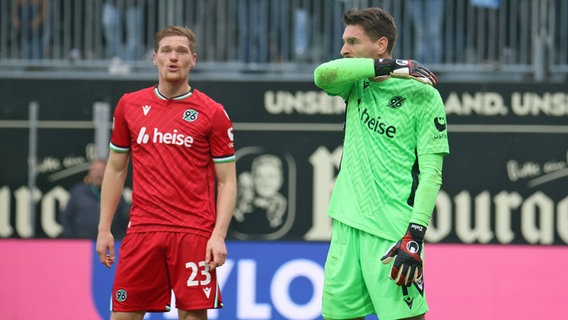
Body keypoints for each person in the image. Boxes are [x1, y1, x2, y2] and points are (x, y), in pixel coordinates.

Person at [313, 7, 449, 320]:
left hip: (392, 232)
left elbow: (431, 174)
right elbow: (322, 75)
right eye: (344, 41)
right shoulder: (356, 83)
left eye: (352, 42)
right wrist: (395, 66)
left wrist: (415, 235)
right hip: (346, 227)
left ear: (381, 43)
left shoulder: (423, 96)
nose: (343, 49)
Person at [96, 25, 237, 320]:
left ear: (193, 59)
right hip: (143, 229)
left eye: (181, 52)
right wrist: (104, 228)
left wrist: (218, 235)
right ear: (154, 58)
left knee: (192, 316)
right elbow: (116, 168)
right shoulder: (129, 105)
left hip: (193, 231)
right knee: (123, 315)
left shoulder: (212, 113)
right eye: (167, 51)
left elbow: (226, 181)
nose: (174, 58)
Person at [60, 159, 129, 239]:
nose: (99, 173)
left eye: (102, 170)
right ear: (89, 173)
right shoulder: (78, 192)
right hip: (81, 243)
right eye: (95, 170)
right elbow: (66, 217)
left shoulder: (116, 193)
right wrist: (71, 239)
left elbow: (124, 219)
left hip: (110, 242)